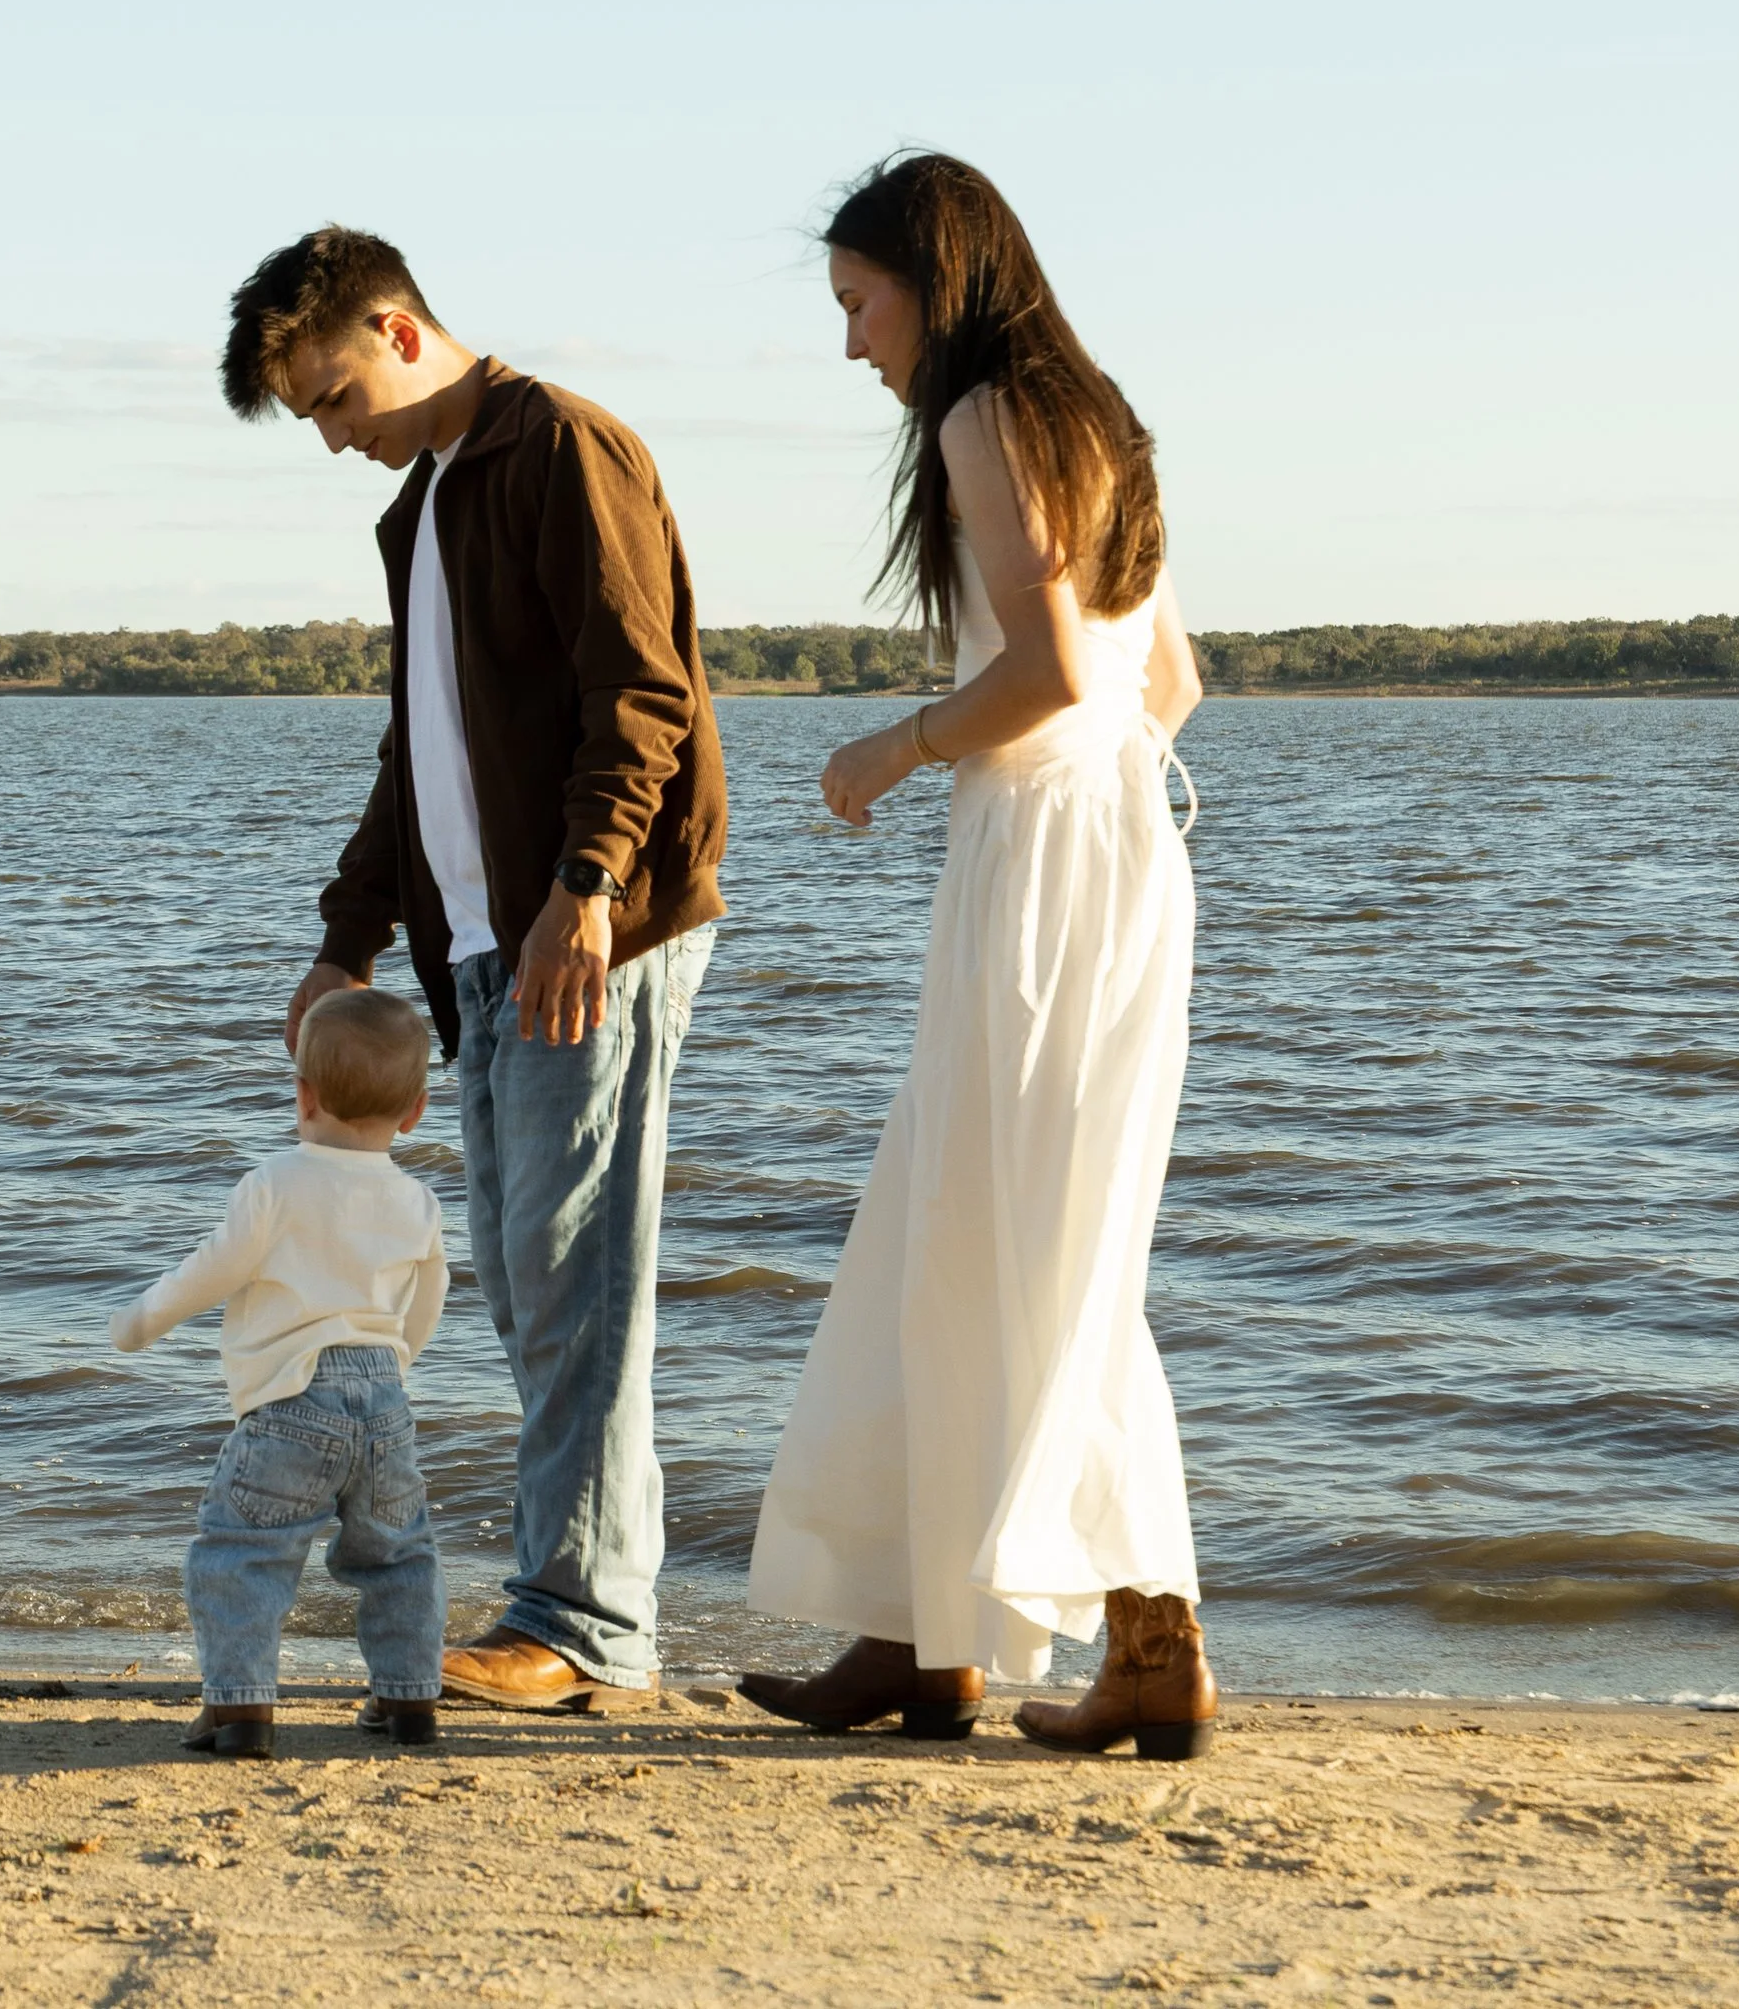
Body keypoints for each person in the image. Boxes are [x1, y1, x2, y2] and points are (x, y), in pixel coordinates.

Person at [739, 151, 1217, 1758]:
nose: (854, 342)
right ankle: (929, 1637)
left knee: (1019, 1241)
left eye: (861, 304)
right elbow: (1176, 686)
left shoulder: (987, 414)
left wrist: (901, 744)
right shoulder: (1099, 416)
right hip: (1118, 847)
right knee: (992, 1231)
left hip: (1044, 861)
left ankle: (1134, 1646)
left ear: (937, 281)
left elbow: (1057, 666)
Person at [220, 225, 726, 1710]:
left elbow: (641, 688)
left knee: (575, 1276)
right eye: (311, 418)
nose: (332, 438)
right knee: (522, 1277)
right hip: (486, 937)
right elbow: (416, 746)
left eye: (332, 400)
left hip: (590, 925)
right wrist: (345, 935)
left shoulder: (563, 449)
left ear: (399, 329)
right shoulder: (422, 505)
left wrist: (588, 884)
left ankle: (581, 1626)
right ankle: (586, 1607)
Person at [111, 985, 450, 1758]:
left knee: (242, 1552)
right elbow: (428, 1299)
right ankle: (409, 1698)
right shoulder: (417, 1198)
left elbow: (212, 1269)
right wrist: (395, 1366)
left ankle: (243, 1709)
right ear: (416, 1111)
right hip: (386, 1398)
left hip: (291, 1398)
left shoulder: (275, 1181)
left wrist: (141, 1321)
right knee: (399, 1553)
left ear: (303, 1096)